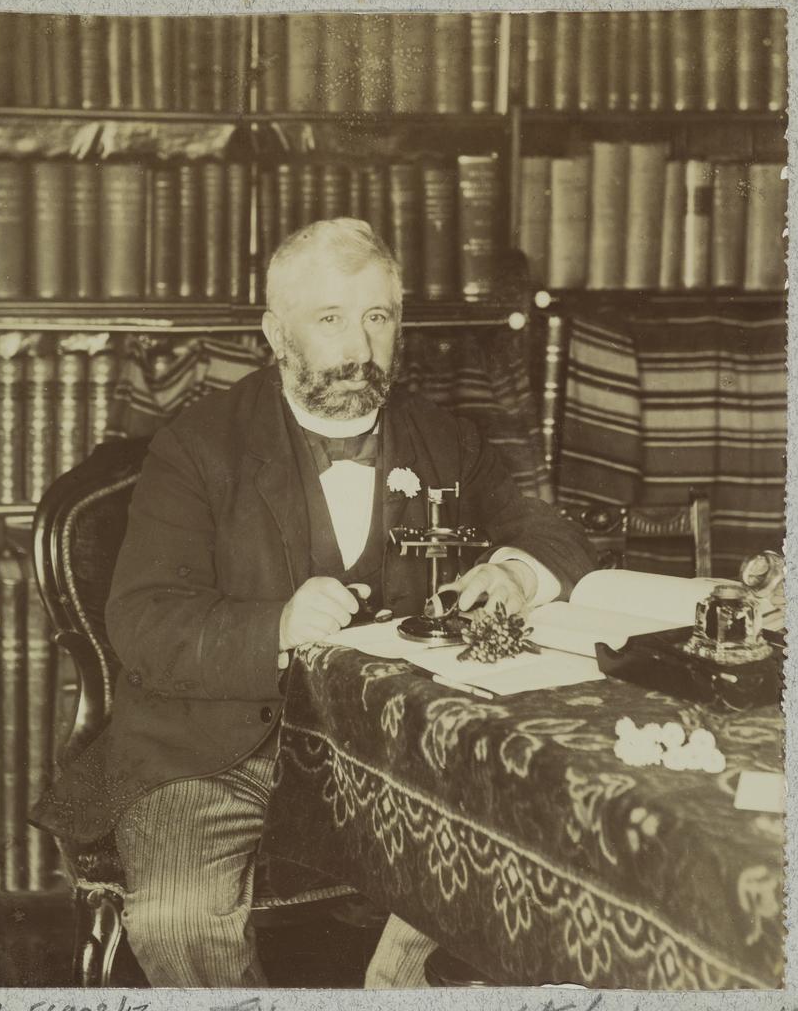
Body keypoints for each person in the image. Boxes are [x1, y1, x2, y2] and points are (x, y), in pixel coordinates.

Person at [32, 218, 597, 988]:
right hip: (211, 749)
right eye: (329, 319)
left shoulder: (444, 439)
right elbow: (143, 620)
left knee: (516, 857)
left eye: (378, 317)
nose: (359, 349)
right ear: (275, 332)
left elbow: (547, 530)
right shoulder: (197, 446)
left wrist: (518, 573)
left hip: (391, 759)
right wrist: (277, 625)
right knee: (175, 917)